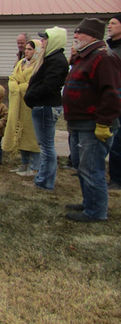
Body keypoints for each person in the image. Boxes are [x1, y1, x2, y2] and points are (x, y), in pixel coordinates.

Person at [63, 18, 121, 222]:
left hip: (93, 124)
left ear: (93, 36)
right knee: (81, 165)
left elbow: (112, 93)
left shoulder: (104, 58)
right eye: (76, 32)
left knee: (91, 167)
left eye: (80, 33)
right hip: (78, 123)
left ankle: (96, 212)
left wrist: (104, 122)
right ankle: (89, 202)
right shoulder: (83, 57)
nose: (75, 36)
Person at [24, 26, 69, 191]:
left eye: (45, 39)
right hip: (42, 105)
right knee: (44, 145)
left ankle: (45, 181)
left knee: (46, 146)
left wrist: (30, 95)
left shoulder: (57, 61)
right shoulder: (50, 58)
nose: (42, 42)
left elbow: (48, 85)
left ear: (54, 41)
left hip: (46, 106)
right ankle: (42, 178)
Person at [3, 40, 44, 176]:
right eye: (26, 49)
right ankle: (24, 163)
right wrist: (14, 86)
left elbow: (34, 83)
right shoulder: (21, 63)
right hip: (18, 104)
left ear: (36, 51)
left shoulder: (39, 65)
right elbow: (13, 77)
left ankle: (35, 166)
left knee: (31, 135)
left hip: (30, 105)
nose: (27, 51)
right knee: (19, 132)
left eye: (30, 49)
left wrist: (21, 87)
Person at [106, 14, 121, 190]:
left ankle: (117, 179)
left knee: (118, 142)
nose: (109, 26)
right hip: (111, 98)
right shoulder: (110, 47)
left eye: (113, 23)